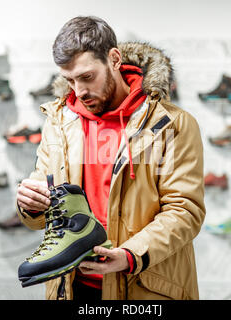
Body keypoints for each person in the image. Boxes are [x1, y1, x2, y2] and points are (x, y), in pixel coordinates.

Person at [16, 16, 206, 300]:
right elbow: (44, 213)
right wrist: (30, 206)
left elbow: (184, 211)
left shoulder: (172, 124)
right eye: (69, 80)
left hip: (143, 287)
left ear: (114, 59)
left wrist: (130, 255)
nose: (79, 91)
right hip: (72, 288)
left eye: (87, 77)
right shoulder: (59, 123)